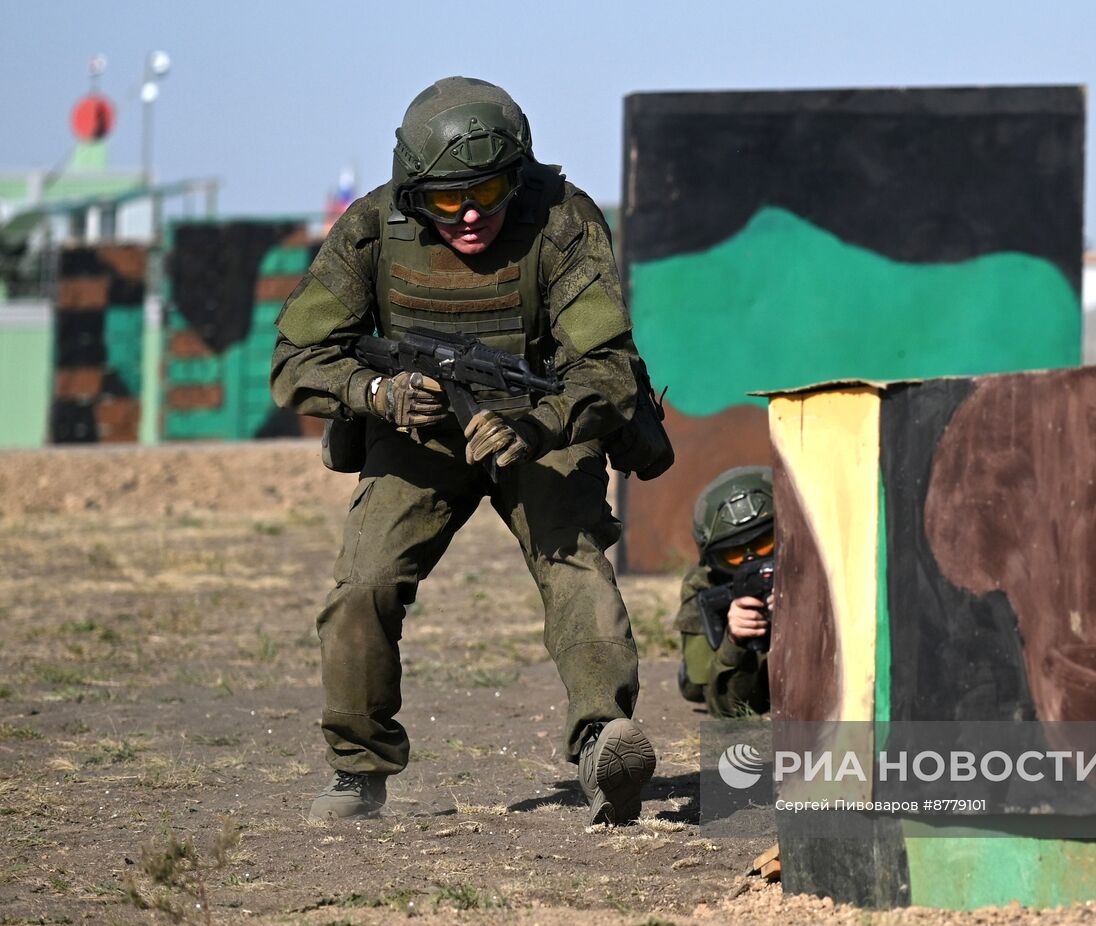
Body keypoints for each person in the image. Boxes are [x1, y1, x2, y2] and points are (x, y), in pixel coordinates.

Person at [270, 77, 655, 825]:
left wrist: (537, 425)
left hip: (540, 423)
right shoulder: (372, 229)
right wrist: (374, 396)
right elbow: (295, 357)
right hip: (416, 431)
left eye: (488, 191)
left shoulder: (563, 222)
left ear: (519, 175)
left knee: (574, 567)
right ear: (414, 194)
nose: (472, 214)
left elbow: (606, 369)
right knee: (364, 583)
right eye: (447, 200)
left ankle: (605, 744)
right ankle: (358, 769)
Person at [673, 467, 773, 717]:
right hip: (733, 676)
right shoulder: (705, 584)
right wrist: (734, 641)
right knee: (695, 683)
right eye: (734, 554)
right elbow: (728, 710)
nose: (751, 561)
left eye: (764, 543)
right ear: (713, 560)